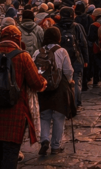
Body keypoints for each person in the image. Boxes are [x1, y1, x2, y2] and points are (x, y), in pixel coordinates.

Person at [0, 25, 46, 169]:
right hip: (15, 113)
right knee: (11, 149)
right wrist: (43, 81)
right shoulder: (23, 57)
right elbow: (36, 83)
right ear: (18, 39)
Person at [33, 27, 76, 156]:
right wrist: (70, 81)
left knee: (44, 115)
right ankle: (55, 146)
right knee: (58, 117)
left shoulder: (37, 52)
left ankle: (44, 139)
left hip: (43, 88)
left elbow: (34, 69)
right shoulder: (61, 51)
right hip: (59, 88)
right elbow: (68, 70)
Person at [56, 7, 88, 108]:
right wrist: (86, 59)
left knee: (61, 80)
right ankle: (76, 103)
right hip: (76, 57)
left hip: (60, 58)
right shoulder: (77, 27)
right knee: (77, 79)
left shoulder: (56, 27)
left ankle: (64, 103)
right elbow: (83, 43)